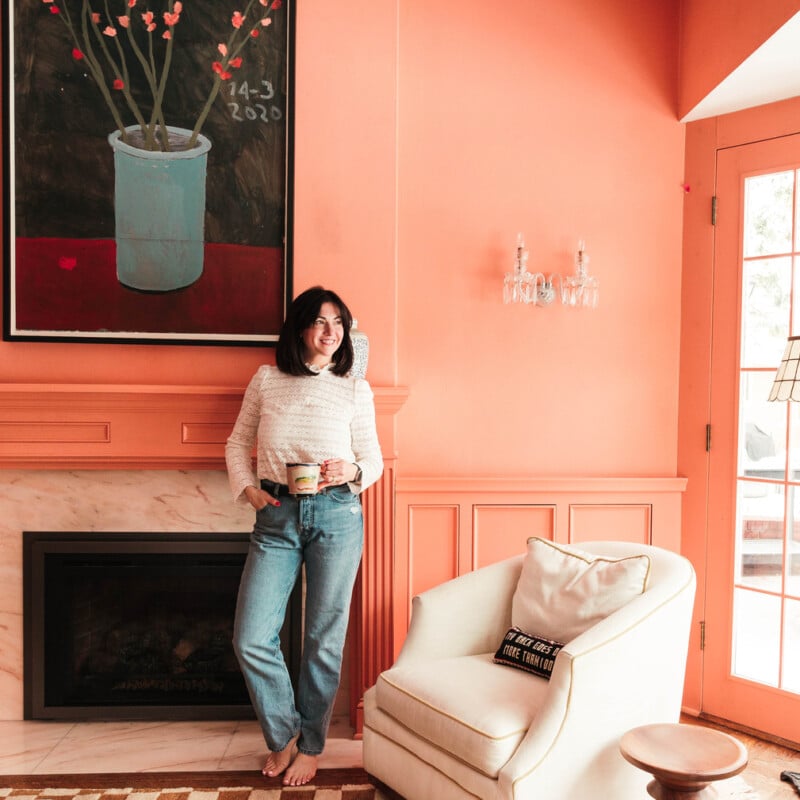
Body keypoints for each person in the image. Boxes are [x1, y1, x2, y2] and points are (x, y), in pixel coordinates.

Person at [225, 286, 383, 786]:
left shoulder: (355, 389)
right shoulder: (267, 380)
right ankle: (284, 734)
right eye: (319, 321)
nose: (330, 331)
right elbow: (235, 443)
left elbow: (374, 461)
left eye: (338, 322)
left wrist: (349, 468)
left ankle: (312, 745)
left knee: (322, 638)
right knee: (250, 636)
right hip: (274, 516)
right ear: (299, 330)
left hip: (337, 515)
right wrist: (247, 489)